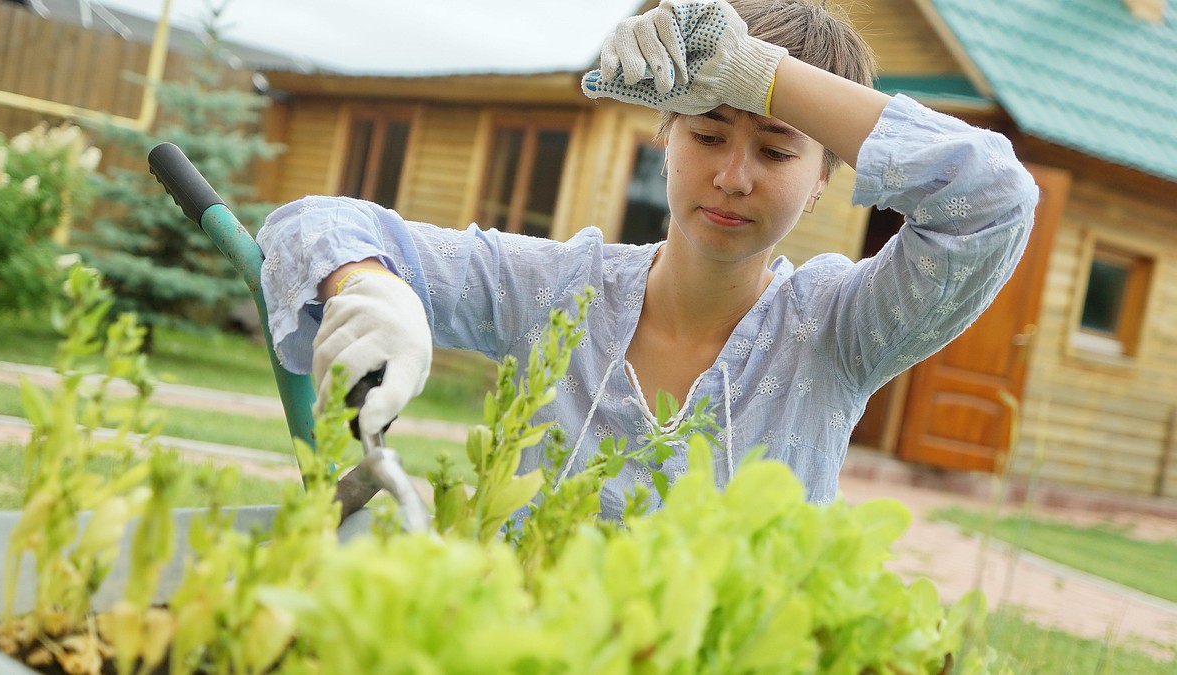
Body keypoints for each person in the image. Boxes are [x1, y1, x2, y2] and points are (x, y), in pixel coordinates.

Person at [257, 0, 1039, 521]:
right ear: (664, 134)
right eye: (705, 134)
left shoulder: (836, 329)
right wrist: (369, 287)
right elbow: (316, 223)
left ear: (823, 181)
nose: (733, 176)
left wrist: (758, 74)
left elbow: (996, 201)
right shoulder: (558, 292)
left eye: (775, 149)